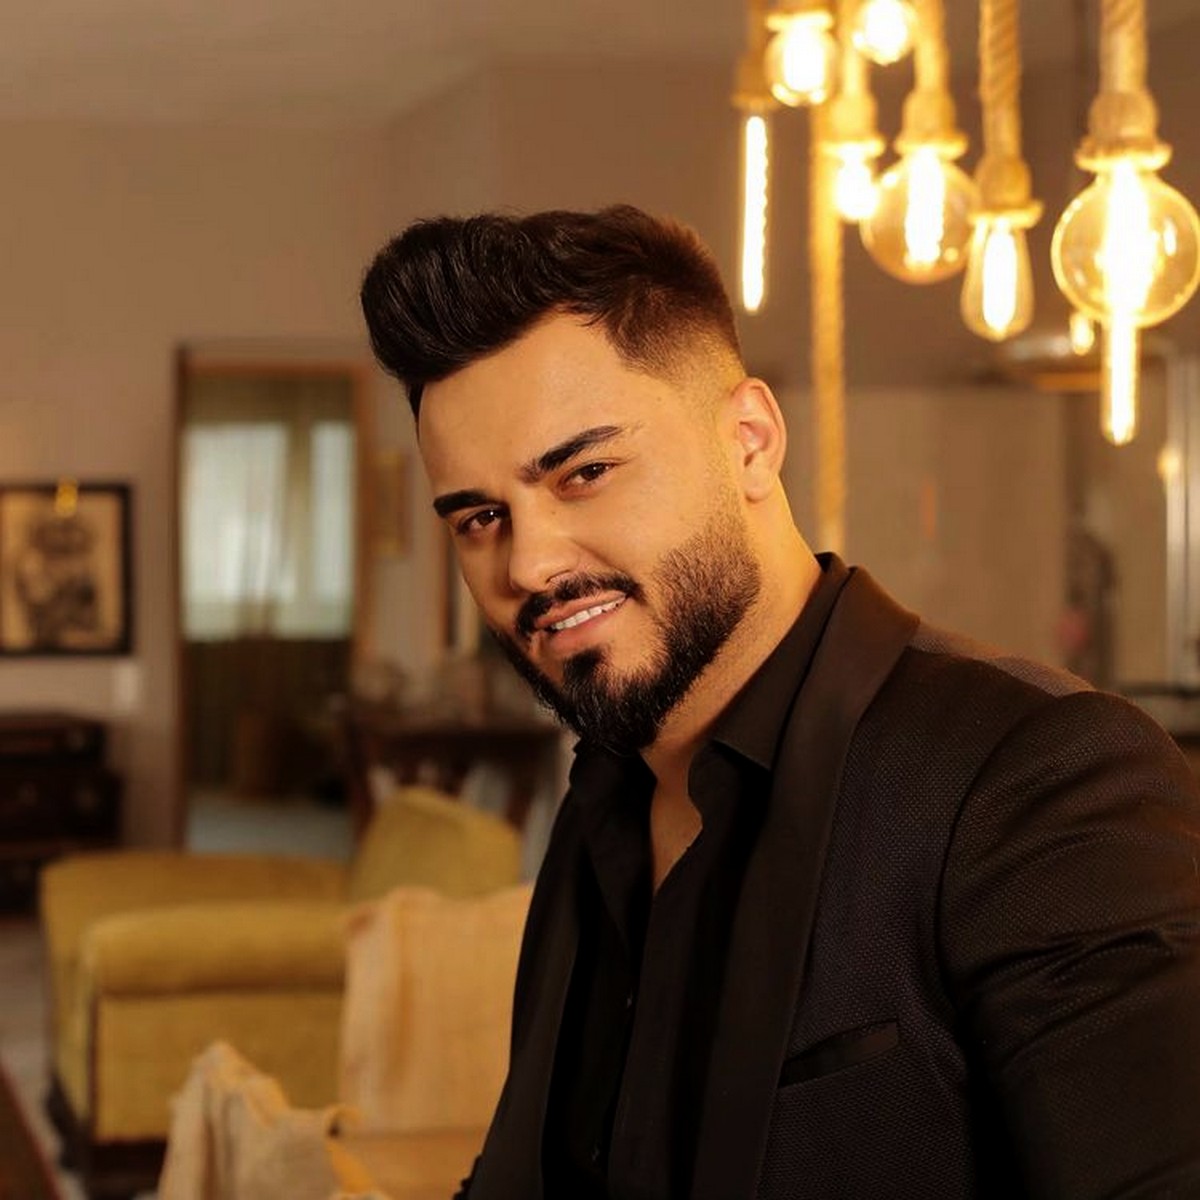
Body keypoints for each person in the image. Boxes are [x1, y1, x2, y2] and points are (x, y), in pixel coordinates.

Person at [360, 204, 1200, 1198]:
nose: (529, 564)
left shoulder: (1039, 778)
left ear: (751, 441)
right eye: (480, 519)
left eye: (585, 473)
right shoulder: (604, 803)